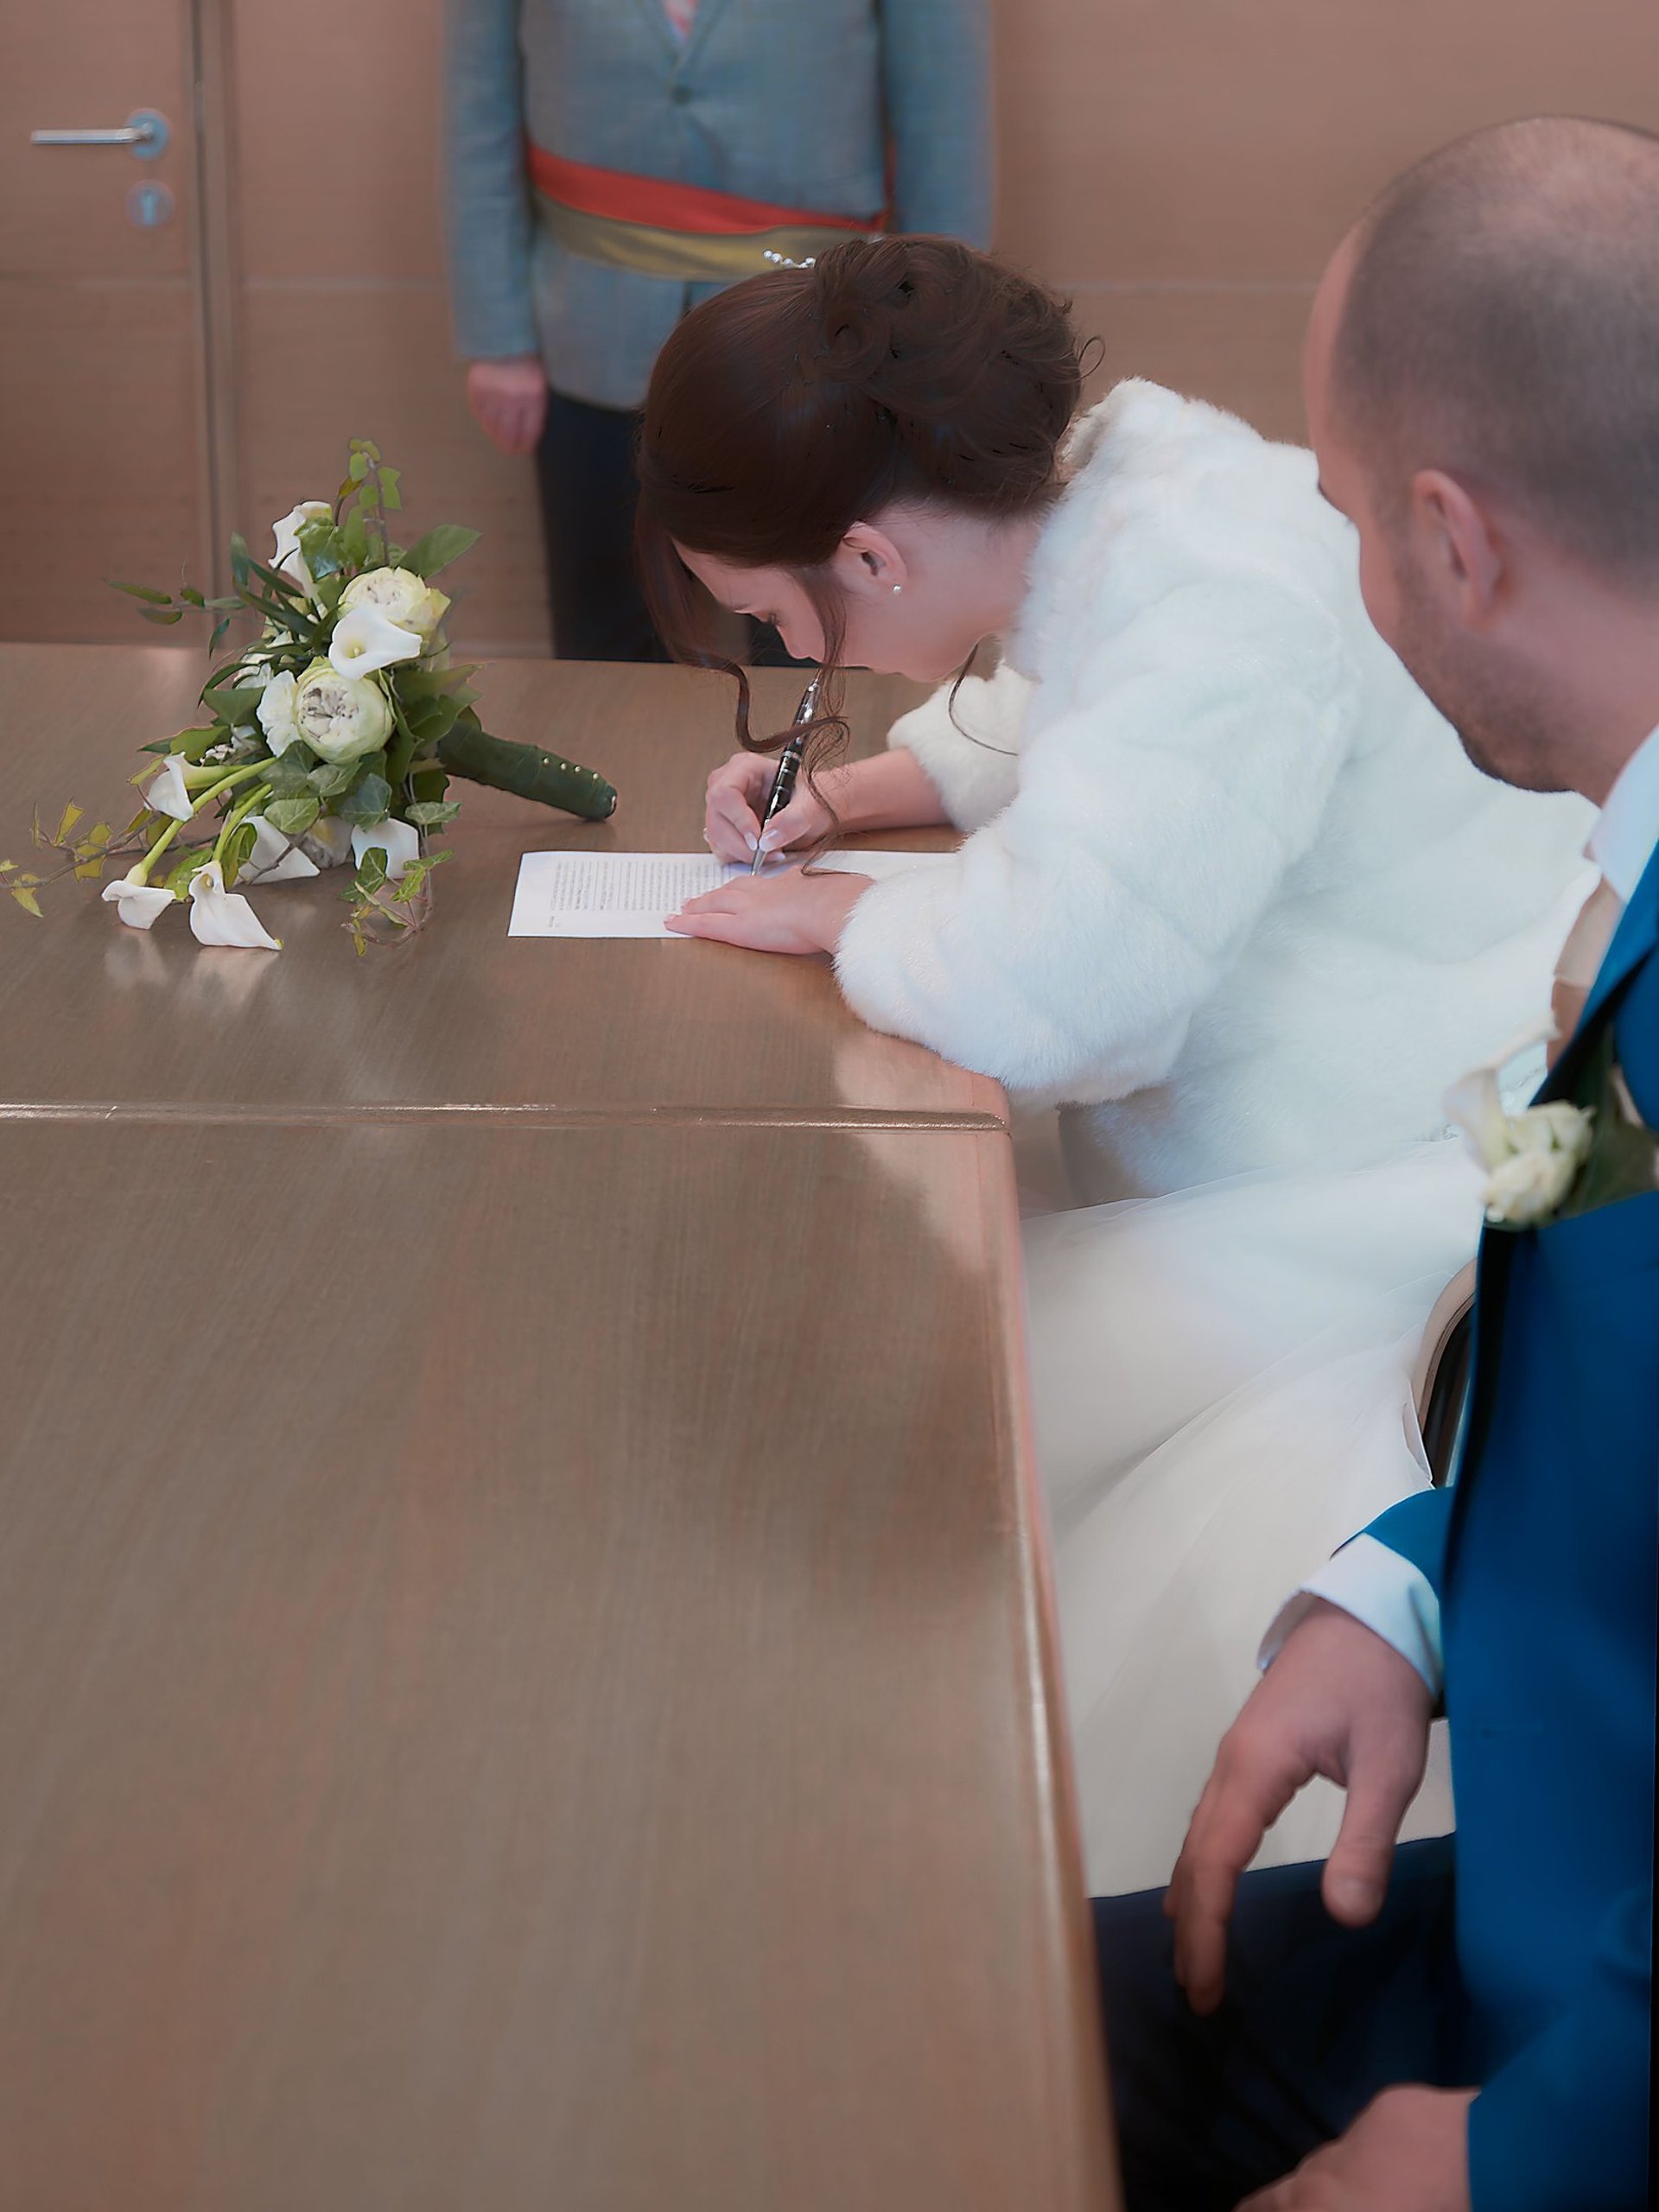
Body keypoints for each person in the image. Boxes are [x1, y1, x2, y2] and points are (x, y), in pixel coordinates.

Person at [638, 235, 1592, 1883]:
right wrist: (862, 797)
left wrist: (846, 920)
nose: (813, 674)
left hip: (1422, 1156)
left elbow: (1072, 991)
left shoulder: (1211, 591)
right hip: (1353, 1098)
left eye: (781, 624)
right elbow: (1071, 728)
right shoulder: (1130, 487)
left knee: (934, 1400)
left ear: (867, 548)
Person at [1095, 117, 1657, 2212]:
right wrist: (1410, 1576)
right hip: (1514, 1866)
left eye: (1342, 516)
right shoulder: (1627, 876)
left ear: (1452, 534)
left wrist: (1542, 2144)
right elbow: (1571, 1268)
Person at [442, 0, 991, 660]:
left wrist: (939, 344)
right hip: (589, 328)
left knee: (820, 641)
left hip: (826, 342)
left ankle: (812, 770)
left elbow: (945, 124)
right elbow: (478, 114)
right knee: (606, 638)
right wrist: (498, 337)